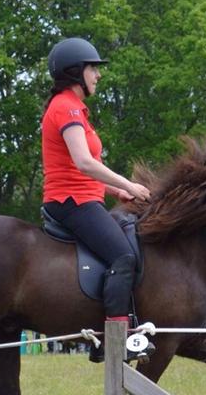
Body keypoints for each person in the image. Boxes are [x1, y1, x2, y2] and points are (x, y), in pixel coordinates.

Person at [40, 37, 153, 361]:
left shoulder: (75, 109)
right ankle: (116, 342)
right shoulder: (66, 106)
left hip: (84, 196)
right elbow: (84, 163)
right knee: (123, 257)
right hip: (71, 201)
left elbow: (83, 170)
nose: (97, 75)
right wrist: (128, 184)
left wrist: (115, 191)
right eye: (93, 69)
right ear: (76, 72)